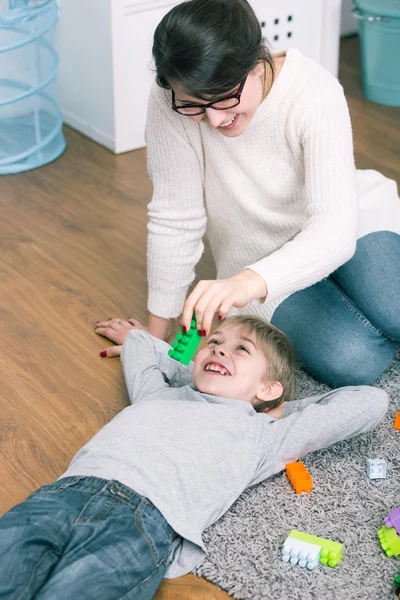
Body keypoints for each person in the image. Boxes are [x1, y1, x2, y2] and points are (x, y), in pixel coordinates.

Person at [96, 0, 400, 388]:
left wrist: (244, 283)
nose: (214, 119)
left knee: (395, 310)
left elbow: (334, 228)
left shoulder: (314, 92)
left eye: (224, 98)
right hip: (259, 257)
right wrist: (156, 339)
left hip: (345, 224)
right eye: (193, 106)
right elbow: (175, 217)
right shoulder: (172, 103)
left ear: (258, 63)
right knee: (356, 360)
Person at [0, 316, 388, 600]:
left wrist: (280, 407)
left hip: (145, 523)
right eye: (214, 343)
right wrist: (190, 371)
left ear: (268, 387)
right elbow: (139, 343)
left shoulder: (266, 434)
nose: (219, 348)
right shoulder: (157, 392)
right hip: (61, 496)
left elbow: (370, 402)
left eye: (241, 349)